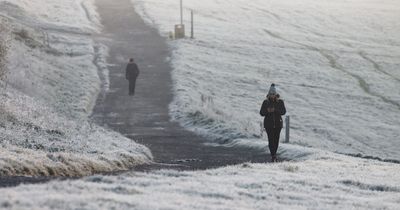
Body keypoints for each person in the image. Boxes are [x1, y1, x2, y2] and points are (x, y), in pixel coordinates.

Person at [260, 83, 286, 162]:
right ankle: (273, 155)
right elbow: (261, 113)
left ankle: (274, 154)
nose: (272, 95)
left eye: (273, 94)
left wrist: (275, 110)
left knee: (276, 139)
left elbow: (283, 112)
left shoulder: (280, 102)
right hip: (269, 125)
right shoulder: (265, 102)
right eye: (271, 94)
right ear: (268, 94)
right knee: (271, 140)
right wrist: (267, 111)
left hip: (278, 124)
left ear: (276, 94)